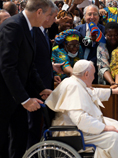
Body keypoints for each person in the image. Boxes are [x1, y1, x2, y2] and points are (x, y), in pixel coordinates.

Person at [45, 60, 118, 158]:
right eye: (93, 74)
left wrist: (113, 91)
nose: (94, 77)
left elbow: (92, 93)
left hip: (77, 126)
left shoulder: (75, 81)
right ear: (86, 74)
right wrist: (104, 128)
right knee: (114, 138)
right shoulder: (73, 86)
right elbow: (80, 119)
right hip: (72, 132)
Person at [0, 0, 53, 157]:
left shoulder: (30, 28)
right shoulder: (14, 26)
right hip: (5, 96)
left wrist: (41, 88)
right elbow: (7, 67)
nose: (50, 19)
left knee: (19, 141)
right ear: (39, 12)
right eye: (49, 15)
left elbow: (29, 66)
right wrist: (25, 99)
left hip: (17, 98)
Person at [26, 4, 62, 149]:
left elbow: (42, 59)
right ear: (46, 15)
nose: (54, 21)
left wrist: (52, 70)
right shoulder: (33, 32)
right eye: (53, 17)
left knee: (40, 125)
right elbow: (31, 63)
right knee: (33, 126)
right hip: (35, 88)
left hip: (45, 83)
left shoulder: (43, 31)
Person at [74, 4, 105, 84]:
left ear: (98, 16)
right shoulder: (77, 30)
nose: (92, 17)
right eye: (89, 14)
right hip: (78, 70)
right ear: (84, 16)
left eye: (95, 14)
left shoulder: (104, 31)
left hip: (96, 71)